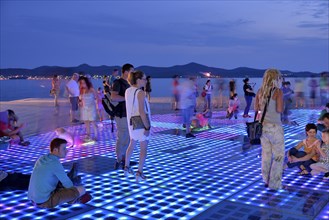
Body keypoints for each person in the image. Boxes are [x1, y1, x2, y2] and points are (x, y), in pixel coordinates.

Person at [28, 138, 92, 208]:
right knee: (82, 189)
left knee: (62, 180)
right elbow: (68, 185)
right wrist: (76, 191)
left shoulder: (42, 158)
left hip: (33, 199)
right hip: (44, 202)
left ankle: (71, 181)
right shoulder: (55, 163)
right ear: (55, 150)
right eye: (64, 149)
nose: (66, 151)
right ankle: (74, 200)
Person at [254, 69, 284, 190]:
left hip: (263, 127)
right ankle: (275, 184)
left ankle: (266, 179)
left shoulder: (260, 91)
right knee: (278, 156)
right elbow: (280, 110)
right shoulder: (278, 92)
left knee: (266, 154)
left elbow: (256, 108)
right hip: (275, 127)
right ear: (276, 79)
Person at [124, 71, 151, 182]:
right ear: (138, 79)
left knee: (132, 143)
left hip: (131, 123)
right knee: (143, 148)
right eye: (144, 79)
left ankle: (126, 167)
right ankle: (139, 173)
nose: (146, 81)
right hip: (141, 123)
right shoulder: (140, 93)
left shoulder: (128, 91)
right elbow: (142, 112)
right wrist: (147, 127)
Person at [111, 64, 134, 169]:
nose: (133, 73)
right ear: (125, 72)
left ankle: (125, 159)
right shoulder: (118, 82)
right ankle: (119, 159)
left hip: (129, 114)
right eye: (131, 71)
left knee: (128, 138)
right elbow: (113, 97)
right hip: (121, 114)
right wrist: (127, 98)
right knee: (122, 137)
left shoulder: (129, 84)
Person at [78, 76, 99, 141]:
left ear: (86, 82)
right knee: (86, 122)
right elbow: (80, 99)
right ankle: (88, 135)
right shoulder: (81, 90)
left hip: (91, 108)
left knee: (93, 122)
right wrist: (80, 102)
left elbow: (97, 97)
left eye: (84, 83)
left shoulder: (91, 89)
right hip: (84, 108)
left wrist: (96, 105)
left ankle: (95, 136)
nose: (82, 84)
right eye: (81, 83)